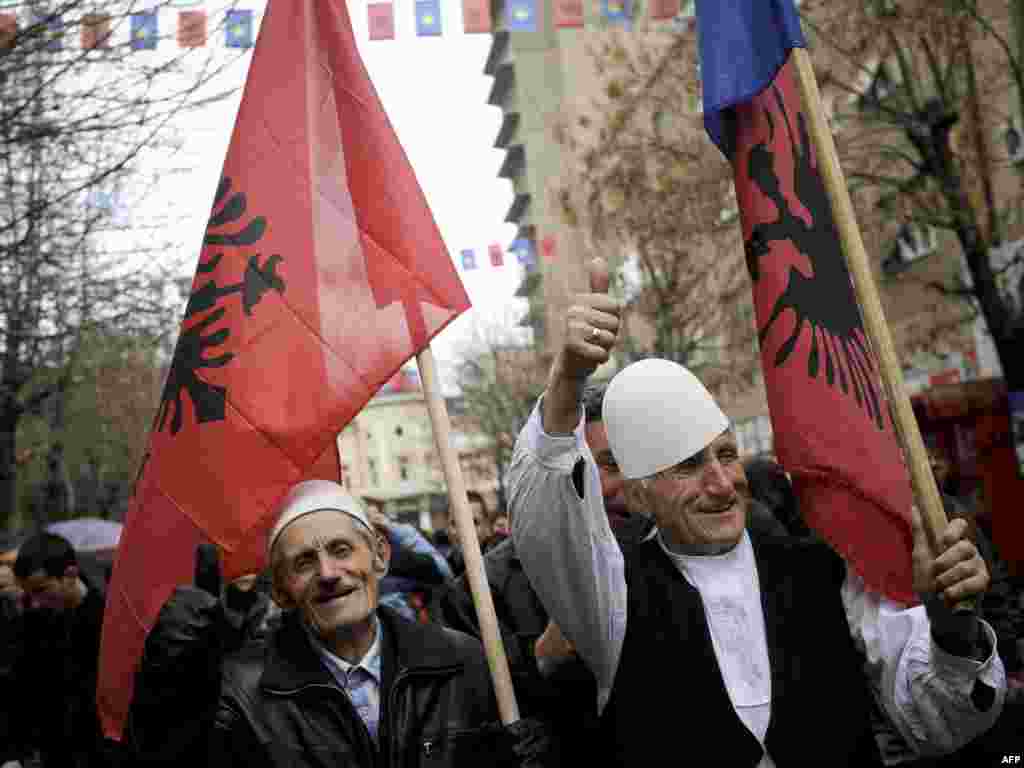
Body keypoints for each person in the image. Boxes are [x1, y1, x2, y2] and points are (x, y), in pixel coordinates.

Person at [508, 259, 1006, 767]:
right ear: (640, 494)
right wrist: (567, 378)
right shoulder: (611, 595)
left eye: (726, 455)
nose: (722, 484)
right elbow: (545, 523)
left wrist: (951, 630)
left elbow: (937, 722)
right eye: (688, 466)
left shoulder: (823, 569)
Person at [132, 480, 546, 768]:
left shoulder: (464, 661)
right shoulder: (241, 694)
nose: (329, 573)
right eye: (304, 562)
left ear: (380, 556)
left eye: (341, 549)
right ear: (279, 589)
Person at [8, 532, 123, 768]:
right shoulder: (35, 622)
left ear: (70, 575)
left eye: (41, 590)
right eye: (30, 594)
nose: (36, 601)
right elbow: (24, 687)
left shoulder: (107, 622)